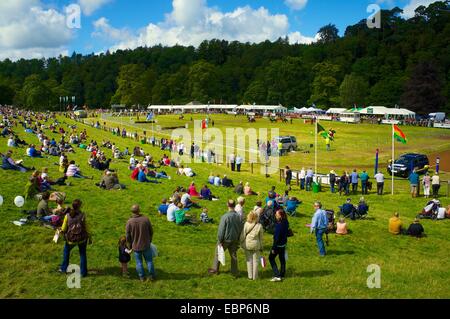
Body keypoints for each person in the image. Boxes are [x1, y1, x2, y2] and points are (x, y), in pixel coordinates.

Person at [208, 200, 243, 277]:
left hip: (225, 239)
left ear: (227, 205)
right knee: (233, 255)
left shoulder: (225, 216)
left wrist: (220, 240)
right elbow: (241, 228)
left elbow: (221, 230)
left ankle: (215, 269)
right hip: (234, 239)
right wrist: (238, 239)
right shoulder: (238, 217)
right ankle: (235, 272)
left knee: (218, 253)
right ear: (234, 205)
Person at [59, 199, 91, 277]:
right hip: (82, 238)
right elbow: (87, 227)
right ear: (79, 206)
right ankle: (83, 272)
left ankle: (63, 269)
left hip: (70, 238)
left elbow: (63, 228)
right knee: (83, 254)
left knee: (66, 252)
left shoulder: (67, 216)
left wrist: (60, 231)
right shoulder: (83, 215)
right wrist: (90, 236)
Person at [126, 204, 155, 282]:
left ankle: (142, 277)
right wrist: (149, 241)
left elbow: (127, 236)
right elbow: (151, 232)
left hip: (135, 246)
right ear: (139, 210)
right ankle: (151, 276)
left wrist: (129, 246)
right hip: (146, 244)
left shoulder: (129, 222)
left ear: (132, 211)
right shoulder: (146, 219)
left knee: (139, 263)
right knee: (149, 261)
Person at [240, 211, 264, 280]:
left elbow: (243, 234)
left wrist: (241, 242)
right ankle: (255, 277)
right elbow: (261, 238)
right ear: (257, 217)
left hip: (247, 244)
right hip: (256, 245)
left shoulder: (246, 224)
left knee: (249, 260)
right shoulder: (259, 226)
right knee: (256, 261)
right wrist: (261, 247)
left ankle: (250, 276)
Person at [269, 209, 289, 282]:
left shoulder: (279, 225)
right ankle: (282, 274)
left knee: (271, 258)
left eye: (277, 214)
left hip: (278, 245)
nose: (275, 215)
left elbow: (276, 238)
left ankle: (277, 275)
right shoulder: (286, 222)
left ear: (280, 215)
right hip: (283, 244)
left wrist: (273, 248)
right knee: (282, 259)